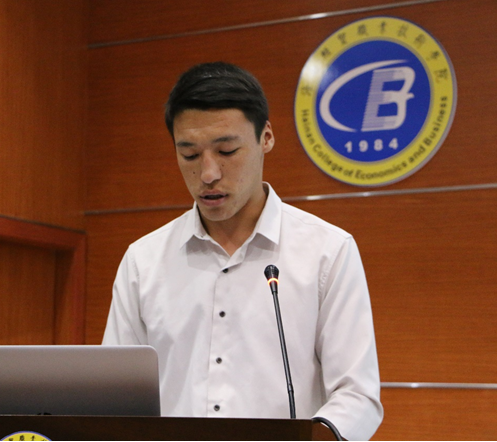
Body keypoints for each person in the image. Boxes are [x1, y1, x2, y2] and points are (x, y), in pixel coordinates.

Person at [102, 62, 383, 440]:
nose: (208, 174)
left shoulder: (327, 252)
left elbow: (357, 395)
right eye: (190, 155)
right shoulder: (143, 261)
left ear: (266, 137)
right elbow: (115, 398)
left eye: (227, 150)